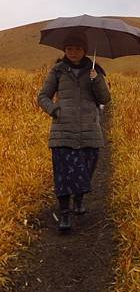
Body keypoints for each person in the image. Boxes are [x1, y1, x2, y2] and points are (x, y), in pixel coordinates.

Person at [37, 35, 111, 231]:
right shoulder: (57, 70)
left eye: (77, 48)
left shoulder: (95, 71)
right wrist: (54, 109)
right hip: (63, 130)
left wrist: (96, 81)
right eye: (69, 48)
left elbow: (105, 98)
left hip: (89, 130)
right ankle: (64, 214)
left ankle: (78, 200)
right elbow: (43, 95)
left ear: (85, 50)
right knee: (62, 173)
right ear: (64, 50)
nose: (73, 52)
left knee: (86, 169)